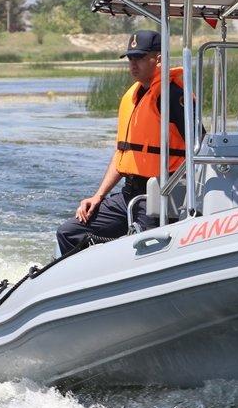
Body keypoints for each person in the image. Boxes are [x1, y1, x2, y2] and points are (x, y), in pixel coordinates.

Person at [56, 29, 187, 254]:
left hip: (160, 195)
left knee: (146, 251)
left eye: (139, 58)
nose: (133, 64)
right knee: (70, 232)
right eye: (130, 58)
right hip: (128, 193)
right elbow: (122, 154)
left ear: (158, 59)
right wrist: (98, 196)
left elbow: (199, 147)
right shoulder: (133, 96)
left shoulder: (173, 96)